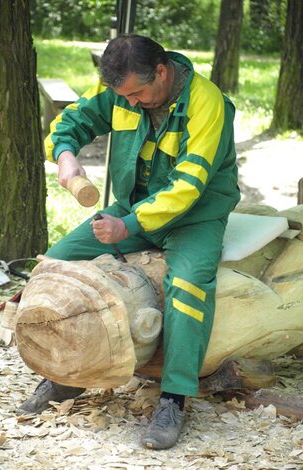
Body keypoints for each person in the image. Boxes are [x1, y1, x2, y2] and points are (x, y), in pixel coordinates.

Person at [19, 35, 240, 450]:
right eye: (126, 96)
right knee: (55, 263)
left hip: (195, 215)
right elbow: (71, 122)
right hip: (132, 206)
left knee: (189, 286)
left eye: (138, 92)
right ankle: (70, 374)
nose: (132, 102)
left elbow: (188, 187)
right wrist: (64, 154)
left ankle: (174, 397)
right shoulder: (121, 88)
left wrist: (128, 226)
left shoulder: (207, 102)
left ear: (161, 71)